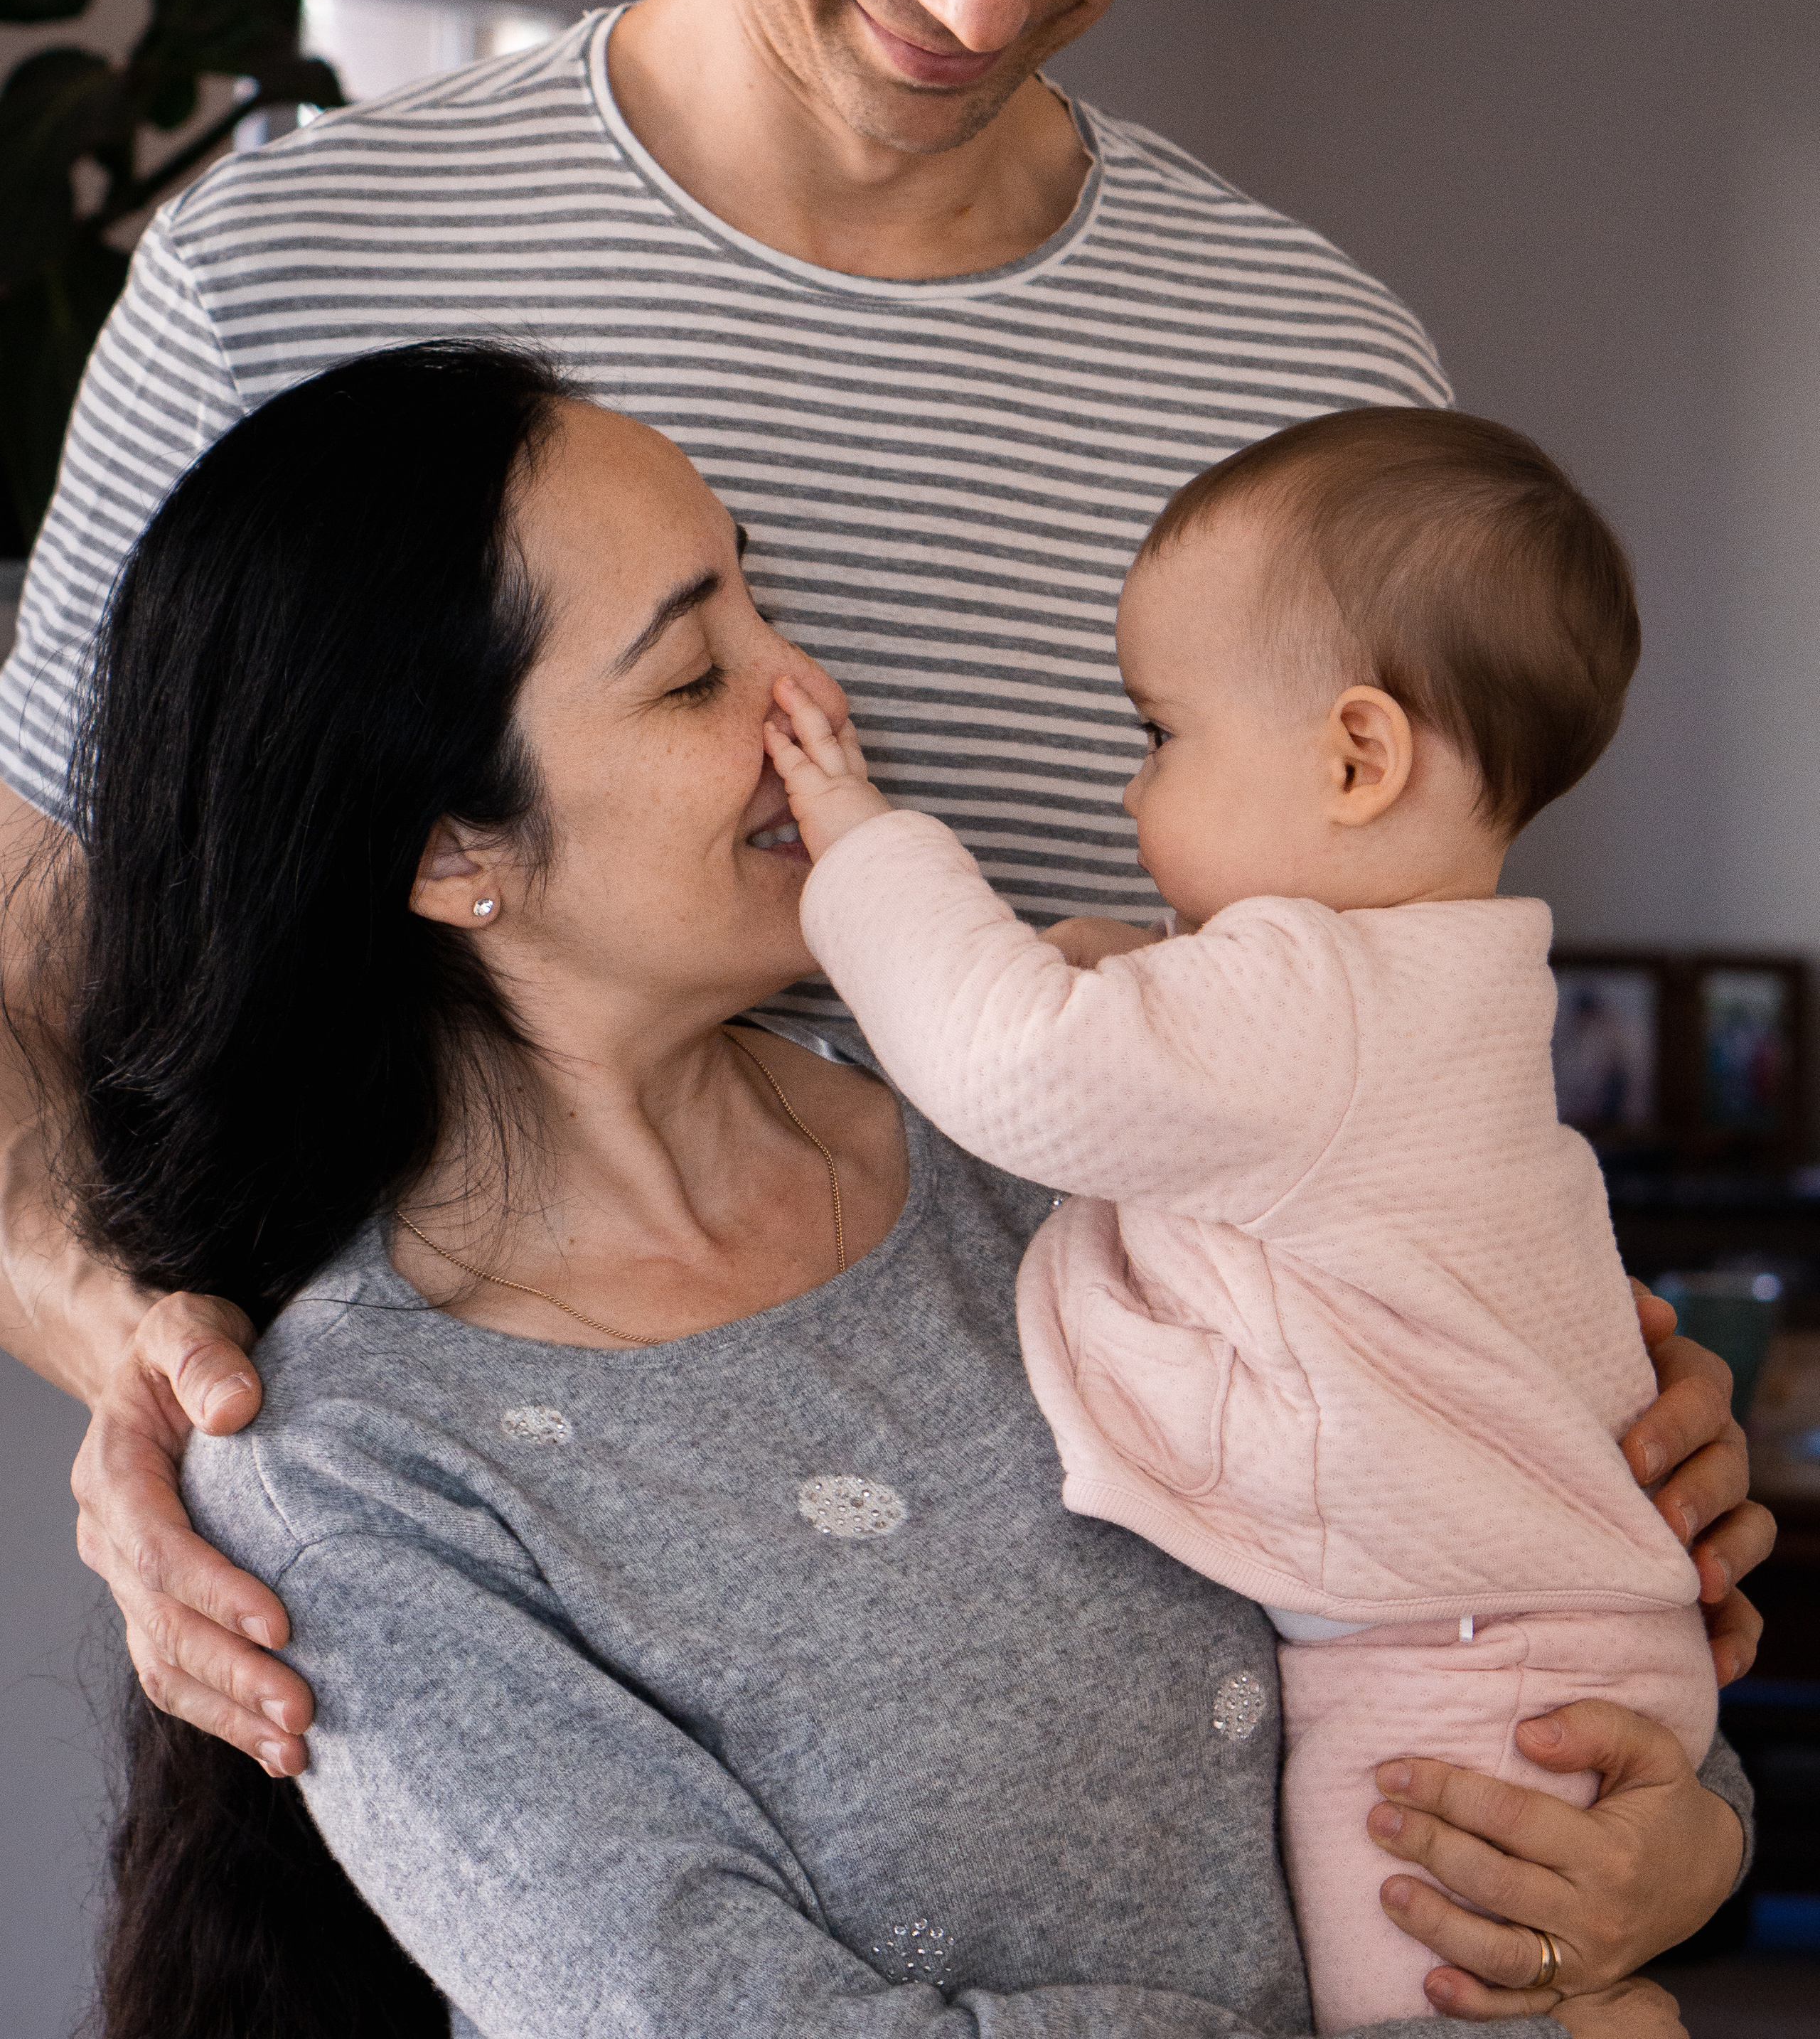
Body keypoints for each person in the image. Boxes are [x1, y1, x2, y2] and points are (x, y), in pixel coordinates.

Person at [0, 0, 1766, 1860]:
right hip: (489, 1768)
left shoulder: (1314, 389)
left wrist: (1570, 1418)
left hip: (1196, 1794)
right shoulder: (287, 280)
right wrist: (135, 1350)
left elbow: (1388, 1074)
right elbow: (22, 981)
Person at [64, 345, 1732, 2038]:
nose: (810, 690)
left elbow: (1511, 1634)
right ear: (449, 852)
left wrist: (1674, 1844)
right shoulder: (364, 1464)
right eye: (694, 676)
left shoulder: (1080, 1141)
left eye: (767, 607)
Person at [764, 409, 1725, 2026]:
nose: (1130, 783)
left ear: (1355, 759)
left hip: (1463, 1677)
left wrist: (861, 842)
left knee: (1432, 2015)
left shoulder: (1314, 1005)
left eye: (1158, 734)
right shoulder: (1418, 986)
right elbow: (1173, 1033)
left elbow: (1011, 1061)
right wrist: (1106, 961)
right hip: (1514, 1633)